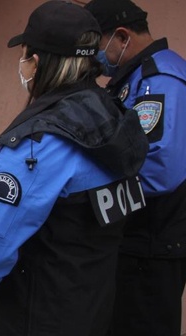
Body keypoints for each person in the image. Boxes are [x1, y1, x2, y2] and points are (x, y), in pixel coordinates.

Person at [0, 2, 149, 335]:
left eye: (26, 55)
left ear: (37, 62)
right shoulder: (114, 117)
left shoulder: (36, 144)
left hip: (39, 314)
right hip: (93, 308)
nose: (23, 64)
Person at [83, 1, 186, 335]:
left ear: (122, 36)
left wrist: (92, 203)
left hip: (152, 245)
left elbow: (158, 170)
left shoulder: (158, 80)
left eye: (96, 49)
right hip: (139, 242)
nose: (93, 60)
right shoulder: (137, 77)